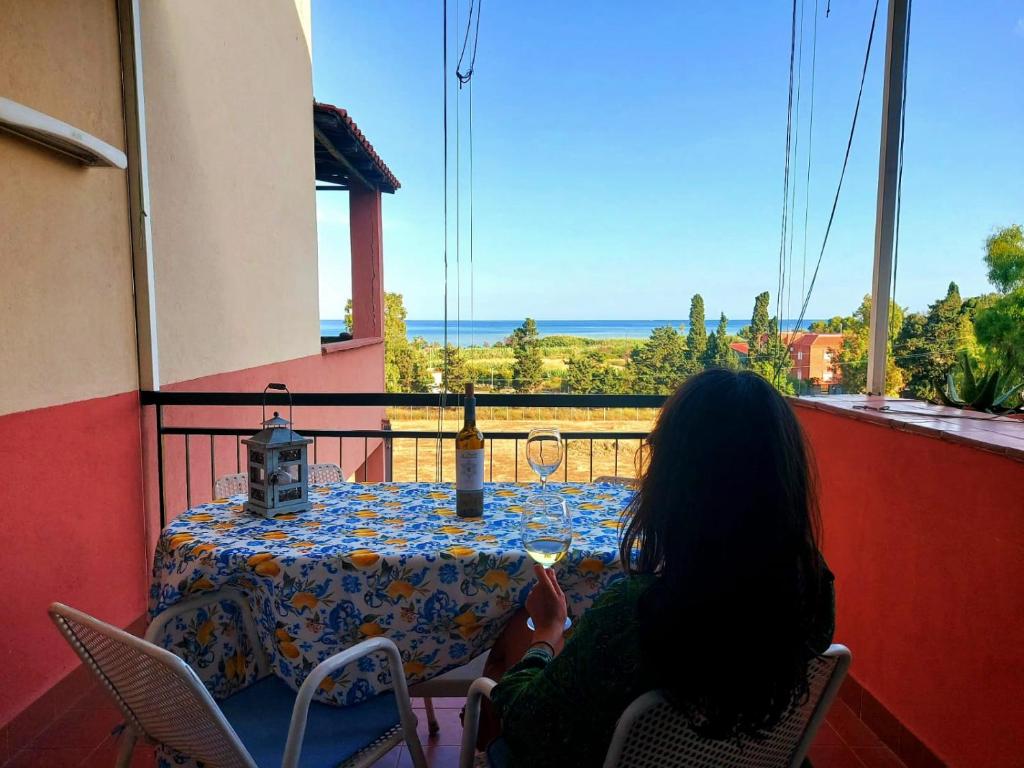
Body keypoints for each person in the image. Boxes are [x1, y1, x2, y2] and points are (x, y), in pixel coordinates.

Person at [482, 369, 835, 767]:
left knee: (503, 673)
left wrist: (546, 635)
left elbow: (525, 724)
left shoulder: (639, 613)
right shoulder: (813, 595)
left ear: (674, 485)